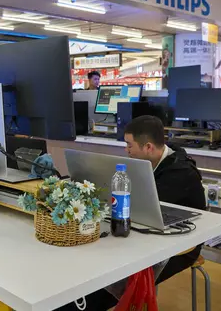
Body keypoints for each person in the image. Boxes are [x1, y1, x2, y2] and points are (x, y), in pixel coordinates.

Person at [57, 115, 206, 311]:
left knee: (111, 274)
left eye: (129, 145)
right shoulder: (148, 164)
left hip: (179, 247)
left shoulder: (180, 173)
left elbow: (142, 208)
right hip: (150, 234)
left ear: (148, 147)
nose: (126, 151)